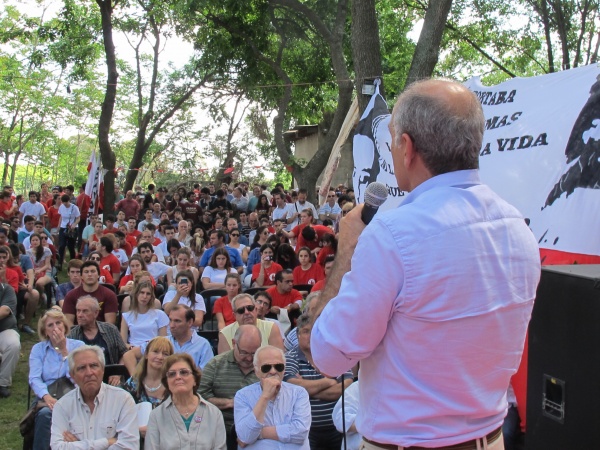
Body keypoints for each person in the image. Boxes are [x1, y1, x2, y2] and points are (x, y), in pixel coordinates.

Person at [311, 78, 542, 449]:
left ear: (407, 147)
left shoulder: (392, 234)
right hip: (492, 438)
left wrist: (347, 253)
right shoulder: (518, 227)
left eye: (391, 140)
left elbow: (330, 355)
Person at [50, 345, 139, 449]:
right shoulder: (62, 406)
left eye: (94, 366)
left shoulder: (123, 400)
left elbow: (129, 446)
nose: (89, 372)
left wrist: (78, 444)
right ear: (72, 376)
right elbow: (57, 447)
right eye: (81, 368)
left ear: (102, 370)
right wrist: (106, 442)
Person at [284, 314, 352, 449]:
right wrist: (328, 382)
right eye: (305, 331)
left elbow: (346, 386)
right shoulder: (290, 357)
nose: (310, 335)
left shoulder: (333, 354)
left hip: (336, 427)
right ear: (297, 335)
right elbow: (292, 386)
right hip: (307, 430)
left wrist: (307, 390)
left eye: (315, 330)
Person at [234, 345, 311, 449]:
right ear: (256, 371)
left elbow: (300, 431)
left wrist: (260, 433)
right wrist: (265, 397)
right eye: (266, 367)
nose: (273, 371)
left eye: (278, 366)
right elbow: (245, 437)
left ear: (284, 369)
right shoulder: (242, 396)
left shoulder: (299, 393)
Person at [144, 353, 227, 450]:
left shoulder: (214, 414)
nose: (178, 377)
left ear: (195, 379)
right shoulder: (156, 416)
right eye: (172, 374)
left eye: (184, 372)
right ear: (167, 382)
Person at [29, 310, 85, 450]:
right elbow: (34, 378)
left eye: (58, 323)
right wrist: (46, 397)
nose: (55, 328)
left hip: (74, 394)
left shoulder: (79, 346)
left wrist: (64, 351)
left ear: (65, 326)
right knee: (45, 414)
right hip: (48, 395)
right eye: (50, 325)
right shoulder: (38, 349)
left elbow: (79, 378)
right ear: (45, 331)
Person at [198, 324, 261, 433]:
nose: (249, 358)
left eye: (254, 353)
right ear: (233, 343)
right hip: (221, 428)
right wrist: (231, 403)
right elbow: (199, 398)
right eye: (244, 352)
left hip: (257, 429)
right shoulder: (215, 365)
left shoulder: (265, 366)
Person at [123, 305, 214, 375]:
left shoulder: (203, 345)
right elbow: (129, 355)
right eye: (170, 320)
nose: (171, 325)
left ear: (190, 322)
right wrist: (136, 378)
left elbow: (206, 376)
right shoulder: (161, 342)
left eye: (177, 321)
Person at [67, 296, 127, 379]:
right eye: (78, 311)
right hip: (85, 378)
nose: (80, 315)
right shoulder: (71, 335)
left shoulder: (111, 329)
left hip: (111, 377)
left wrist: (117, 373)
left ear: (96, 313)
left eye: (85, 311)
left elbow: (125, 354)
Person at [218, 293, 284, 354]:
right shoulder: (224, 334)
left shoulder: (271, 328)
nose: (246, 312)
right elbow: (224, 364)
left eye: (250, 308)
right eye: (241, 310)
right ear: (234, 315)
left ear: (255, 309)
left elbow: (279, 359)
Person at [122, 336, 174, 412]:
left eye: (165, 354)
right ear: (146, 354)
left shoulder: (173, 383)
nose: (160, 357)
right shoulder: (134, 382)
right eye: (156, 352)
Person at [62, 260, 118, 326]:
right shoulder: (71, 296)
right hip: (77, 333)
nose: (89, 274)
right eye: (86, 272)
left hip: (102, 333)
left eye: (93, 271)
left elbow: (110, 324)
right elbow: (68, 323)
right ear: (81, 276)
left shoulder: (109, 295)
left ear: (98, 275)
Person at [121, 281, 168, 347]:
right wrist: (132, 348)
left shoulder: (160, 314)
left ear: (151, 297)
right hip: (133, 349)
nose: (144, 296)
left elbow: (163, 340)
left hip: (153, 348)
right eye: (142, 293)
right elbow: (123, 343)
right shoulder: (126, 316)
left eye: (148, 294)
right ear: (137, 294)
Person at [0, 281, 19, 397]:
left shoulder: (6, 289)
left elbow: (5, 311)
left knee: (13, 344)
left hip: (4, 330)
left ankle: (2, 383)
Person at [56, 194, 80, 270]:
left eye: (66, 202)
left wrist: (74, 224)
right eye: (63, 202)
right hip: (63, 227)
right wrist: (59, 226)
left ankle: (73, 263)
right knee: (62, 245)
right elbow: (61, 217)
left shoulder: (74, 208)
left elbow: (78, 218)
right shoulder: (61, 207)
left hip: (72, 228)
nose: (65, 204)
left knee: (71, 247)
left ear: (69, 201)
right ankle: (60, 263)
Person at [26, 232, 53, 299]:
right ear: (30, 242)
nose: (35, 242)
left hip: (46, 271)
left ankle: (41, 296)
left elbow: (47, 265)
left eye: (36, 240)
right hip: (33, 271)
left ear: (40, 241)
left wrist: (39, 270)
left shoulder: (47, 251)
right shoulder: (28, 252)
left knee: (39, 283)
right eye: (33, 240)